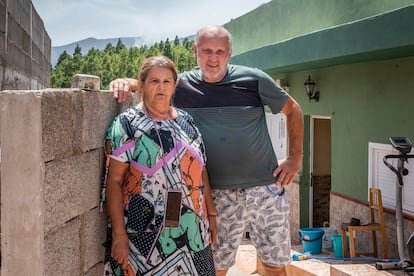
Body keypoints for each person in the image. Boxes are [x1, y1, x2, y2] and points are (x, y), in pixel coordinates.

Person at [110, 25, 303, 276]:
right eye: (207, 51)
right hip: (217, 194)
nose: (213, 58)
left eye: (220, 51)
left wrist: (295, 157)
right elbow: (154, 83)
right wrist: (127, 83)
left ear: (230, 53)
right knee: (216, 268)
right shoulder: (182, 86)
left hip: (265, 188)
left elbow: (293, 109)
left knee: (275, 266)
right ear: (196, 51)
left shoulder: (253, 79)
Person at [102, 55, 217, 276]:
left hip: (191, 233)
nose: (161, 87)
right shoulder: (127, 124)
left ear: (174, 86)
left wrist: (211, 214)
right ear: (142, 85)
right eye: (154, 81)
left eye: (167, 81)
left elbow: (201, 171)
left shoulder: (187, 122)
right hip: (143, 239)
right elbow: (114, 181)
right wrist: (119, 235)